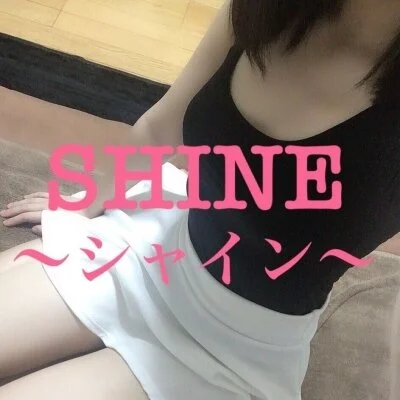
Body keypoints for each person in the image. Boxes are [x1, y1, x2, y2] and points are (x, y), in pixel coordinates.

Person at [1, 0, 400, 399]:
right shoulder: (263, 11)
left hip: (236, 355)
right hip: (154, 254)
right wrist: (86, 203)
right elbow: (160, 127)